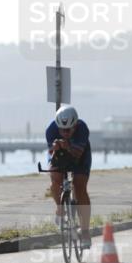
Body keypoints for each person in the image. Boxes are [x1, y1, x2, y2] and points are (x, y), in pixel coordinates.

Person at [46, 105, 92, 249]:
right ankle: (60, 208)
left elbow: (76, 156)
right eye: (62, 130)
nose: (65, 133)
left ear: (75, 125)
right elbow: (53, 155)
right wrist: (56, 148)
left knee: (79, 187)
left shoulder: (82, 129)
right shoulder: (51, 130)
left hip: (80, 156)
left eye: (68, 130)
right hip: (60, 155)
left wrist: (67, 146)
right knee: (55, 180)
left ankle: (85, 232)